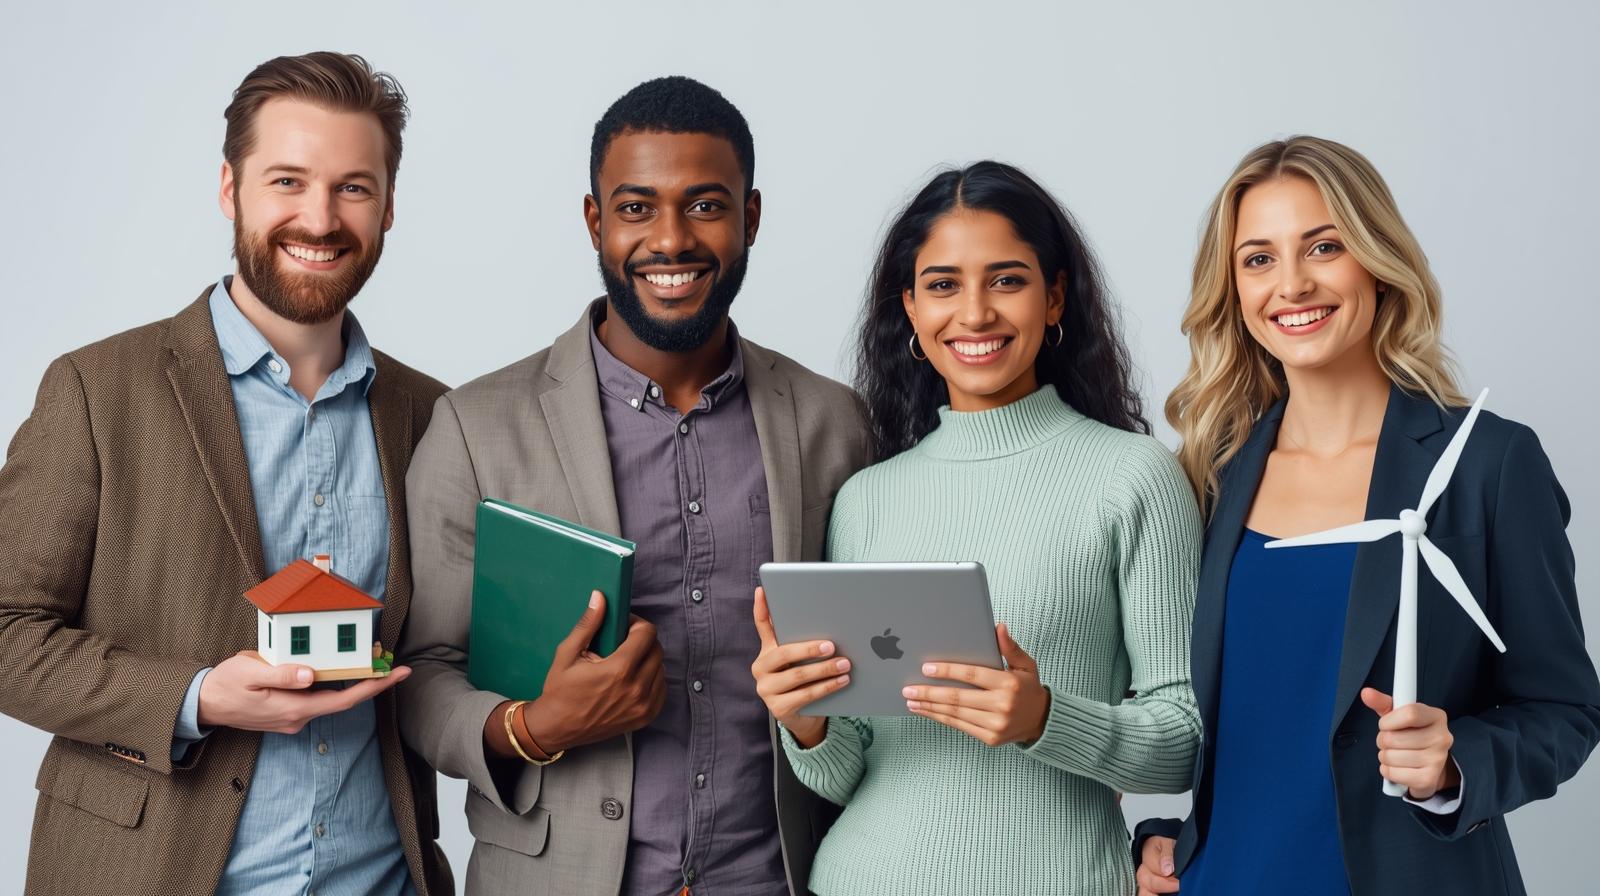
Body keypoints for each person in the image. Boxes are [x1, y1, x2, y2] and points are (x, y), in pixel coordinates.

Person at [396, 76, 872, 895]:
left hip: (779, 875)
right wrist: (533, 728)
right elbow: (423, 672)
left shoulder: (835, 424)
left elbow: (867, 668)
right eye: (637, 207)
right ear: (595, 221)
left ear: (750, 217)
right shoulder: (477, 426)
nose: (672, 238)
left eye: (706, 205)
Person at [0, 52, 452, 895]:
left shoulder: (436, 415)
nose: (320, 218)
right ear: (228, 189)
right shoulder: (98, 391)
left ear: (389, 207)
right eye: (288, 180)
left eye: (353, 187)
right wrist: (199, 696)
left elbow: (450, 656)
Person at [1135, 136, 1600, 896]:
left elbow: (1565, 709)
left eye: (1324, 246)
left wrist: (1455, 764)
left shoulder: (1490, 462)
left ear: (1377, 262)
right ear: (1233, 288)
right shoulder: (1210, 475)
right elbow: (1209, 721)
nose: (1292, 284)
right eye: (1258, 259)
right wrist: (1166, 842)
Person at [750, 160, 1203, 895]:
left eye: (1007, 279)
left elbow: (1185, 741)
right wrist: (804, 720)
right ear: (910, 309)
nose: (974, 313)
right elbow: (846, 774)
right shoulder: (867, 498)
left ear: (1055, 297)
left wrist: (1045, 717)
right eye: (942, 285)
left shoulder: (1133, 478)